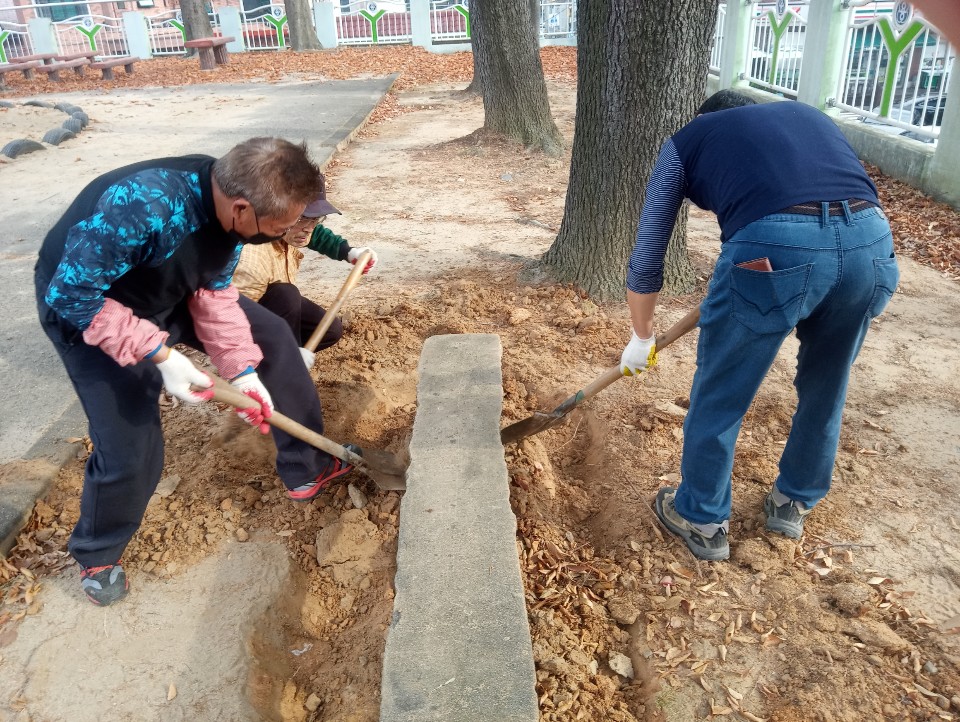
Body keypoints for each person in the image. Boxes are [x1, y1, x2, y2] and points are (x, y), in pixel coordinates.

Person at [36, 137, 359, 606]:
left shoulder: (235, 213)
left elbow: (214, 292)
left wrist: (243, 370)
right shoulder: (145, 205)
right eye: (282, 225)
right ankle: (98, 551)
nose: (287, 232)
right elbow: (71, 294)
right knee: (130, 438)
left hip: (169, 292)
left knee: (271, 341)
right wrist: (161, 356)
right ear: (242, 208)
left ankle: (306, 466)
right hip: (88, 307)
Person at [620, 90, 899, 561]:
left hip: (775, 250)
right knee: (828, 384)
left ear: (707, 119)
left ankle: (702, 518)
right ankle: (794, 501)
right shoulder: (810, 114)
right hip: (870, 246)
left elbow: (648, 254)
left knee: (721, 391)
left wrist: (640, 336)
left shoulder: (688, 140)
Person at [231, 176, 377, 370]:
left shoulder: (289, 228)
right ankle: (274, 370)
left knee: (329, 330)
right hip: (249, 318)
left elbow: (313, 233)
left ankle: (288, 359)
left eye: (315, 219)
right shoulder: (250, 259)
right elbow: (233, 318)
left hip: (275, 306)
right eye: (302, 219)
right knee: (286, 295)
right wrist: (282, 352)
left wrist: (348, 252)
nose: (308, 229)